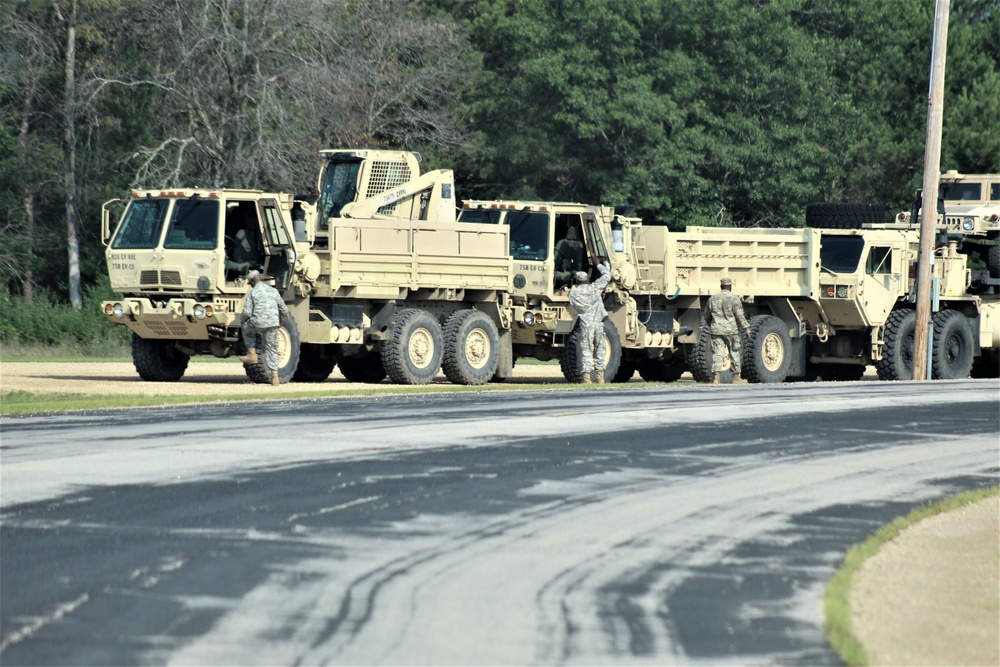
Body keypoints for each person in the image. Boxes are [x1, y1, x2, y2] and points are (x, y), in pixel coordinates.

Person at [238, 270, 290, 386]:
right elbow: (284, 310)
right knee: (272, 348)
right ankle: (275, 377)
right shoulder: (273, 291)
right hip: (273, 323)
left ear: (252, 281)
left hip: (257, 322)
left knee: (246, 329)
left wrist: (242, 320)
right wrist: (281, 321)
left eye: (250, 282)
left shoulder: (253, 292)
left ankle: (252, 354)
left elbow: (246, 312)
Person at [568, 258, 612, 383]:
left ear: (576, 281)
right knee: (599, 349)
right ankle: (600, 377)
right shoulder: (594, 288)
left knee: (586, 350)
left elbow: (573, 303)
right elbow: (607, 276)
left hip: (585, 325)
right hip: (599, 324)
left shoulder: (573, 294)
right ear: (587, 279)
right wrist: (601, 264)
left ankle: (586, 378)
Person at [702, 277, 751, 384]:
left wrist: (712, 325)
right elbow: (740, 316)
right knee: (734, 352)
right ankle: (736, 378)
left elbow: (706, 315)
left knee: (717, 353)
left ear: (721, 286)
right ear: (730, 287)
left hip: (716, 330)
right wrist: (747, 329)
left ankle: (716, 378)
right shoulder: (734, 298)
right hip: (731, 331)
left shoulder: (712, 299)